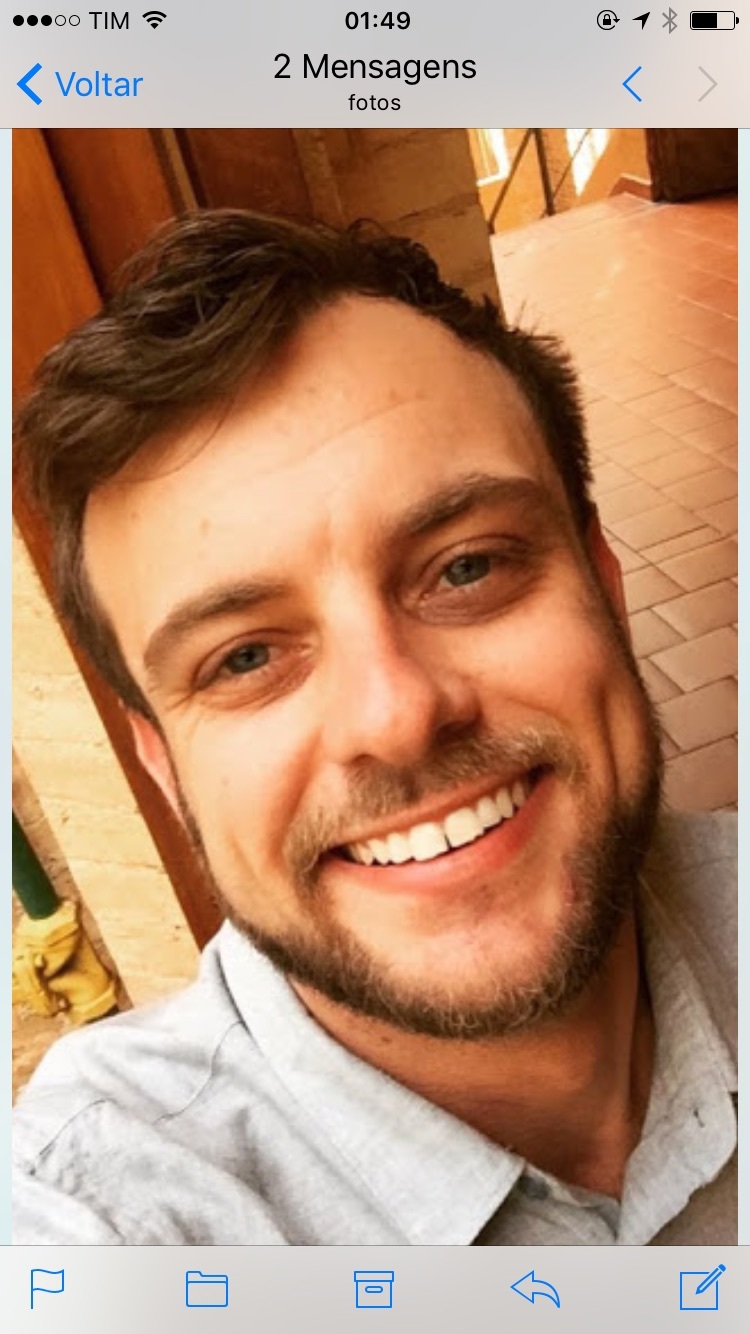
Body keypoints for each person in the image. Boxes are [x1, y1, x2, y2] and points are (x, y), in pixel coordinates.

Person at [13, 211, 736, 1245]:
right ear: (165, 768)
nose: (396, 715)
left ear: (605, 589)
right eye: (245, 657)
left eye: (467, 568)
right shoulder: (96, 1220)